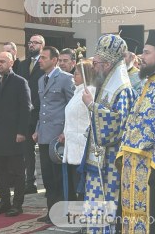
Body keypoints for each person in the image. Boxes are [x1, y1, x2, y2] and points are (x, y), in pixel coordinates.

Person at [79, 34, 137, 233]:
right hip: (98, 162)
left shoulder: (123, 89)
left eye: (96, 63)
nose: (94, 67)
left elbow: (119, 126)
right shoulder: (106, 83)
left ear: (108, 63)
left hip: (111, 165)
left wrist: (91, 107)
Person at [116, 30, 155, 234]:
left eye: (147, 52)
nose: (141, 57)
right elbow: (132, 123)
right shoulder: (148, 83)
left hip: (151, 168)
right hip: (132, 167)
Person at [0, 51, 32, 217]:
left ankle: (17, 205)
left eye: (3, 61)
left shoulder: (20, 82)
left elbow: (26, 109)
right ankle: (4, 202)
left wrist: (22, 132)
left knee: (17, 172)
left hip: (14, 135)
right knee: (1, 171)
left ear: (11, 63)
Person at [32, 46, 75, 224]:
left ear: (54, 60)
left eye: (43, 57)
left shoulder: (66, 79)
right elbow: (42, 108)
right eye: (40, 57)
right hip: (44, 135)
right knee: (48, 178)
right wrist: (36, 129)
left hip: (59, 137)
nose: (40, 60)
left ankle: (63, 214)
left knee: (59, 178)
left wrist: (66, 131)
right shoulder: (41, 79)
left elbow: (73, 107)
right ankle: (51, 211)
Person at [60, 59, 95, 201]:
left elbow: (92, 118)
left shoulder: (89, 92)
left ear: (86, 75)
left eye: (77, 73)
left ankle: (84, 219)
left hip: (82, 147)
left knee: (82, 188)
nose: (74, 76)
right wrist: (64, 132)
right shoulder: (77, 92)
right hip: (72, 146)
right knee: (75, 187)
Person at [17, 34, 46, 194]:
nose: (31, 45)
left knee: (43, 149)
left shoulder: (44, 64)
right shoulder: (23, 64)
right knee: (26, 150)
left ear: (42, 45)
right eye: (30, 42)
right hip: (26, 112)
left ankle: (47, 183)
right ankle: (30, 182)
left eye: (35, 43)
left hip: (41, 111)